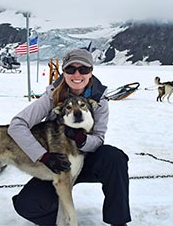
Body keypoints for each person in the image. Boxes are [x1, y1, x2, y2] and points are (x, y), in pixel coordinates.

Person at [8, 48, 131, 226]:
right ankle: (61, 220)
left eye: (83, 69)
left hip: (87, 160)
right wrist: (43, 155)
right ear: (64, 72)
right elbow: (17, 124)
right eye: (70, 69)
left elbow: (99, 138)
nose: (77, 74)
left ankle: (118, 221)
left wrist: (82, 140)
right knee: (26, 205)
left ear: (91, 72)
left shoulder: (100, 100)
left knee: (114, 158)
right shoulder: (52, 95)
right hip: (57, 163)